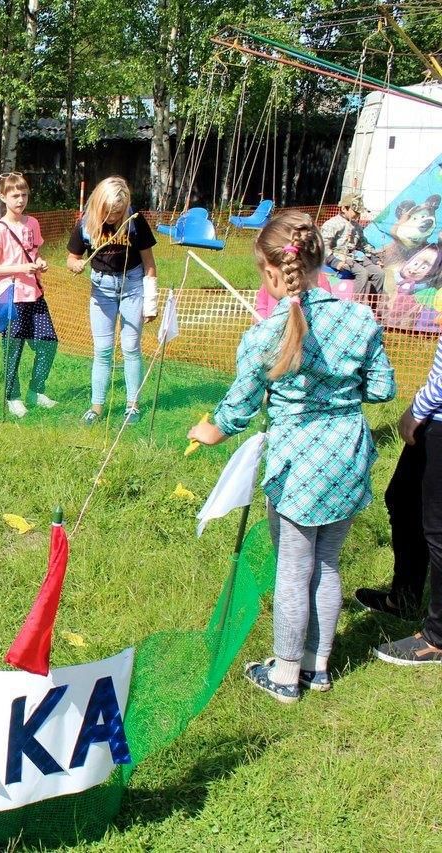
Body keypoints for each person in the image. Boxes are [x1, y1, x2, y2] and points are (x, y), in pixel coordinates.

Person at [187, 211, 396, 702]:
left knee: (294, 570)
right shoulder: (360, 319)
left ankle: (284, 676)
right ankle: (316, 667)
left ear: (271, 271)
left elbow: (236, 410)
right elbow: (382, 389)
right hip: (347, 457)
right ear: (319, 261)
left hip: (298, 466)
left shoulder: (264, 335)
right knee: (327, 564)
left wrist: (207, 430)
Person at [359, 335, 442, 666]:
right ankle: (404, 598)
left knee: (438, 529)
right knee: (403, 500)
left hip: (436, 416)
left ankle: (437, 638)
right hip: (434, 417)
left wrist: (417, 409)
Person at [67, 176, 159, 425]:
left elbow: (149, 264)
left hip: (132, 287)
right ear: (98, 205)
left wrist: (151, 302)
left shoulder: (135, 222)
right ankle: (96, 408)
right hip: (102, 291)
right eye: (108, 212)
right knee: (103, 350)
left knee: (130, 348)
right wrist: (75, 265)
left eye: (118, 212)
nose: (113, 217)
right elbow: (72, 257)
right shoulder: (86, 224)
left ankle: (132, 406)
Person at [0, 173, 55, 417]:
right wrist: (22, 268)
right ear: (3, 197)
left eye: (24, 195)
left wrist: (40, 263)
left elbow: (34, 254)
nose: (20, 200)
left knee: (48, 343)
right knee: (13, 349)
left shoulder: (33, 223)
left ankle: (36, 391)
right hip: (11, 298)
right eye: (15, 195)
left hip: (34, 294)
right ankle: (13, 397)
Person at [320, 194, 384, 301]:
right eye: (355, 212)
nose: (358, 215)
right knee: (362, 273)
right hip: (339, 257)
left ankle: (373, 304)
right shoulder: (332, 224)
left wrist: (374, 258)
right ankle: (355, 304)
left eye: (359, 213)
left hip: (355, 257)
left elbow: (363, 244)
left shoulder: (357, 226)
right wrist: (334, 261)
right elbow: (323, 246)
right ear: (344, 208)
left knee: (379, 273)